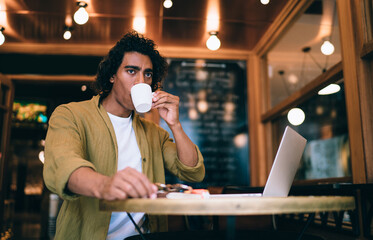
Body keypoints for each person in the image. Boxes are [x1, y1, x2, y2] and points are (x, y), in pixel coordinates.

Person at [43, 31, 205, 240]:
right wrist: (105, 185)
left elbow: (193, 172)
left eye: (147, 74)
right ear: (112, 76)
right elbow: (63, 166)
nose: (141, 82)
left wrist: (174, 124)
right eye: (131, 71)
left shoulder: (155, 133)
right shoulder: (71, 115)